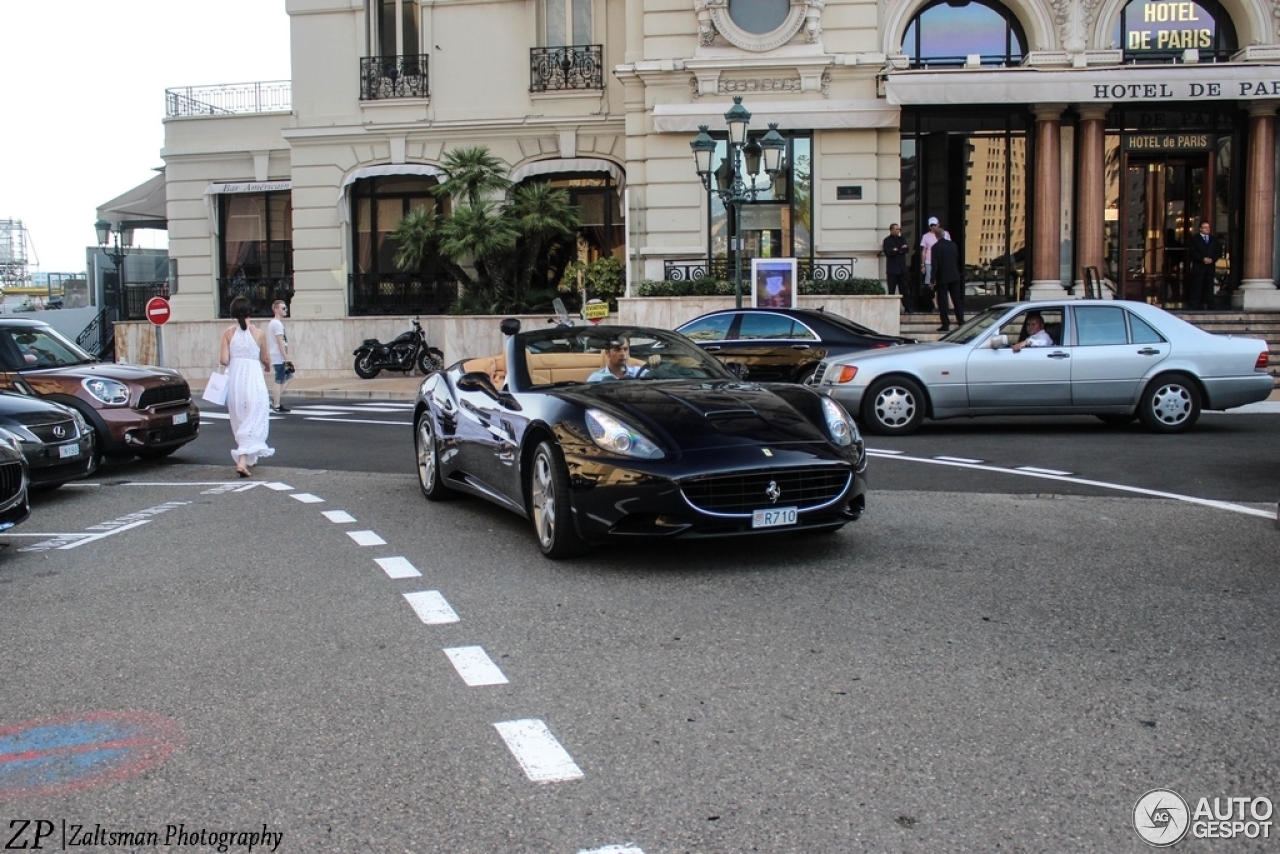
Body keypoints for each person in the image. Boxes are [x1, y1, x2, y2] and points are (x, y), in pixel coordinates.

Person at [219, 296, 274, 477]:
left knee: (241, 419)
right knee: (256, 417)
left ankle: (249, 457)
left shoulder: (228, 334)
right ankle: (243, 460)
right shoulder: (259, 334)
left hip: (235, 382)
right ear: (251, 311)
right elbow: (265, 359)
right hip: (253, 380)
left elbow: (224, 360)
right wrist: (267, 366)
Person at [929, 225, 964, 332]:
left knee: (942, 301)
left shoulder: (935, 247)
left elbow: (935, 264)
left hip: (943, 277)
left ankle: (946, 323)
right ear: (944, 235)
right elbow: (957, 258)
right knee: (956, 300)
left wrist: (932, 279)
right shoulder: (953, 245)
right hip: (954, 275)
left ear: (936, 236)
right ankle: (961, 321)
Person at [1186, 220, 1222, 310]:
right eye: (1205, 227)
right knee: (1197, 287)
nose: (1207, 229)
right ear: (1200, 229)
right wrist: (1202, 259)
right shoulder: (1195, 239)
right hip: (1199, 267)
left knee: (1210, 287)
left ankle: (1210, 305)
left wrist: (1212, 259)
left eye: (1208, 227)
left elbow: (1218, 252)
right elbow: (1193, 252)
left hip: (1210, 267)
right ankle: (1195, 305)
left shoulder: (1213, 239)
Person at [267, 299, 292, 413]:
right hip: (278, 356)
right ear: (276, 310)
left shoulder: (274, 323)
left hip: (277, 355)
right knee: (280, 379)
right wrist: (286, 358)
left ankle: (275, 400)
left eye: (285, 308)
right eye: (283, 308)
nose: (286, 310)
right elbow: (280, 342)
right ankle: (276, 404)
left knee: (289, 376)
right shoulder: (276, 324)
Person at [919, 216, 951, 292]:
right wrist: (922, 265)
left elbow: (949, 247)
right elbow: (923, 251)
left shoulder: (945, 234)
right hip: (929, 261)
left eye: (935, 225)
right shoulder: (925, 236)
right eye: (931, 225)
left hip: (943, 261)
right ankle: (934, 301)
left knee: (944, 281)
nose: (933, 227)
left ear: (938, 224)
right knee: (931, 283)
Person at [882, 223, 909, 297]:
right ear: (891, 230)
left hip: (902, 269)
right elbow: (888, 252)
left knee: (904, 289)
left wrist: (897, 250)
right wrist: (900, 250)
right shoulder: (887, 240)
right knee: (891, 289)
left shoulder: (902, 239)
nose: (898, 231)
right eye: (897, 229)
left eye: (899, 229)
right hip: (892, 270)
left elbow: (906, 249)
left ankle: (907, 307)